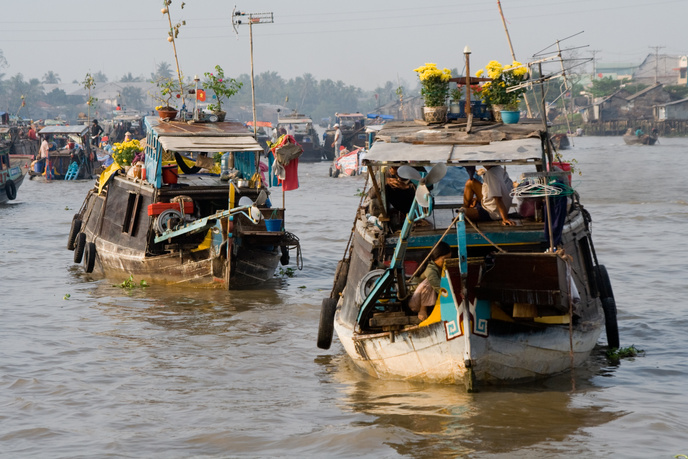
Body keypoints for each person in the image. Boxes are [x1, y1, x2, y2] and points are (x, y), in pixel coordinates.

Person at [409, 241, 452, 321]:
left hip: (426, 300)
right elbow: (438, 287)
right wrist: (452, 296)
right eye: (445, 259)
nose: (447, 262)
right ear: (436, 257)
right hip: (414, 302)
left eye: (449, 258)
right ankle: (423, 310)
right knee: (428, 283)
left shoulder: (441, 268)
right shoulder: (430, 269)